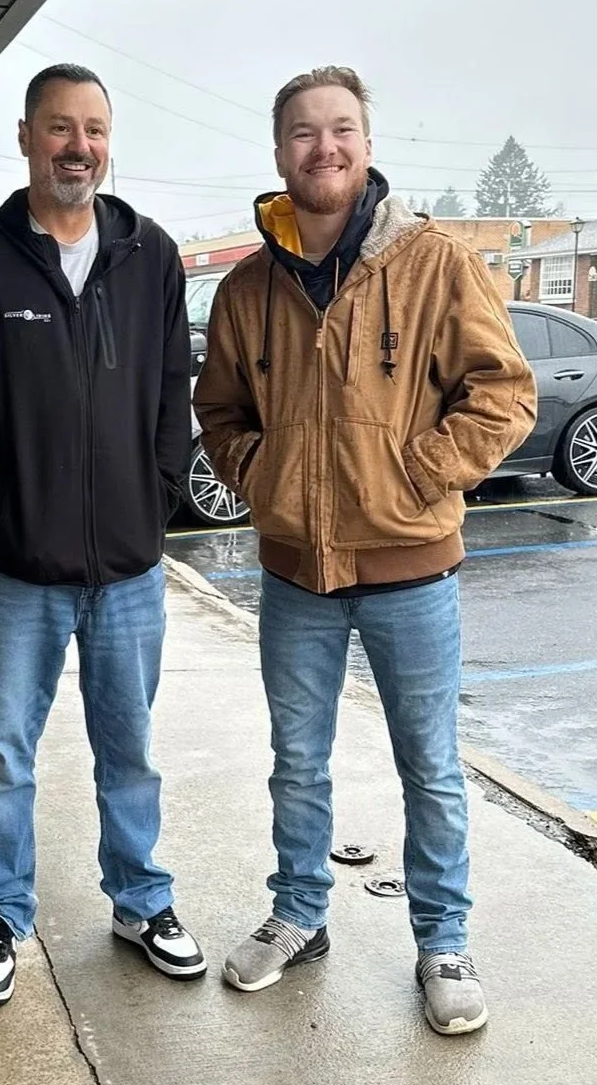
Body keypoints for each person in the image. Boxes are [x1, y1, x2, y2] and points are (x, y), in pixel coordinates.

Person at [194, 67, 534, 1035]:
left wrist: (420, 474)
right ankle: (299, 913)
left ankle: (442, 939)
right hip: (293, 571)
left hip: (411, 569)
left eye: (340, 129)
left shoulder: (432, 263)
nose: (323, 147)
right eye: (303, 133)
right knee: (296, 762)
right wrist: (261, 474)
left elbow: (501, 391)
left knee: (427, 764)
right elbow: (218, 410)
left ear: (367, 142)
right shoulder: (249, 286)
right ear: (278, 152)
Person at [0, 62, 203, 1007]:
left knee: (130, 747)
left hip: (127, 570)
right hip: (14, 569)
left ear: (106, 142)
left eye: (93, 129)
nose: (77, 145)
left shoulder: (150, 255)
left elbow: (174, 392)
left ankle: (140, 897)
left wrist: (156, 495)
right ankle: (2, 908)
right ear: (27, 136)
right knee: (5, 750)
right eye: (58, 128)